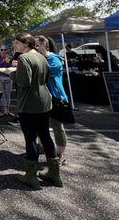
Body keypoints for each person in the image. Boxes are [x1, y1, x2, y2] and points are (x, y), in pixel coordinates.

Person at [12, 32, 62, 189]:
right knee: (46, 136)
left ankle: (31, 176)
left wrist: (14, 73)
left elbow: (23, 82)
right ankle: (54, 174)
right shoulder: (42, 56)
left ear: (26, 43)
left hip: (29, 103)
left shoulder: (23, 58)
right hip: (44, 101)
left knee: (31, 138)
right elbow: (46, 77)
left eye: (16, 43)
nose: (14, 45)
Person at [36, 35, 69, 166]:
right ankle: (42, 146)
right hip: (40, 97)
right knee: (40, 124)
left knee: (57, 126)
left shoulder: (55, 59)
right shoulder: (38, 58)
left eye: (37, 44)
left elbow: (46, 73)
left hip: (55, 97)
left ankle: (60, 155)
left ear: (44, 44)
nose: (35, 47)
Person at [0, 46, 13, 116]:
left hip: (9, 78)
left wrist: (9, 62)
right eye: (2, 50)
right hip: (0, 78)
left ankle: (7, 110)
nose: (3, 51)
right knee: (2, 94)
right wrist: (3, 61)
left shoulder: (10, 57)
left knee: (8, 94)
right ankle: (5, 109)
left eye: (5, 49)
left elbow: (12, 66)